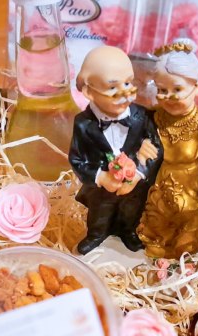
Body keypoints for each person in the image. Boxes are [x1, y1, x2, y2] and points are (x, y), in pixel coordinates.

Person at [137, 39, 198, 259]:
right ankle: (157, 244)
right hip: (159, 178)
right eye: (162, 90)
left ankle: (181, 252)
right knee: (155, 212)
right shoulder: (153, 116)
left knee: (188, 214)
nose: (168, 97)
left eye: (177, 89)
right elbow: (138, 139)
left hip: (190, 181)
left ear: (197, 88)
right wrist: (141, 148)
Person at [69, 46, 164, 255]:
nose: (124, 93)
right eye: (112, 88)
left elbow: (156, 147)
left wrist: (138, 173)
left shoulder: (142, 116)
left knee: (131, 211)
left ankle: (127, 232)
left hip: (135, 187)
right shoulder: (83, 124)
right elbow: (77, 159)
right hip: (101, 190)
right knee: (100, 212)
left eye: (129, 83)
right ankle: (96, 234)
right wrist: (101, 177)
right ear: (88, 91)